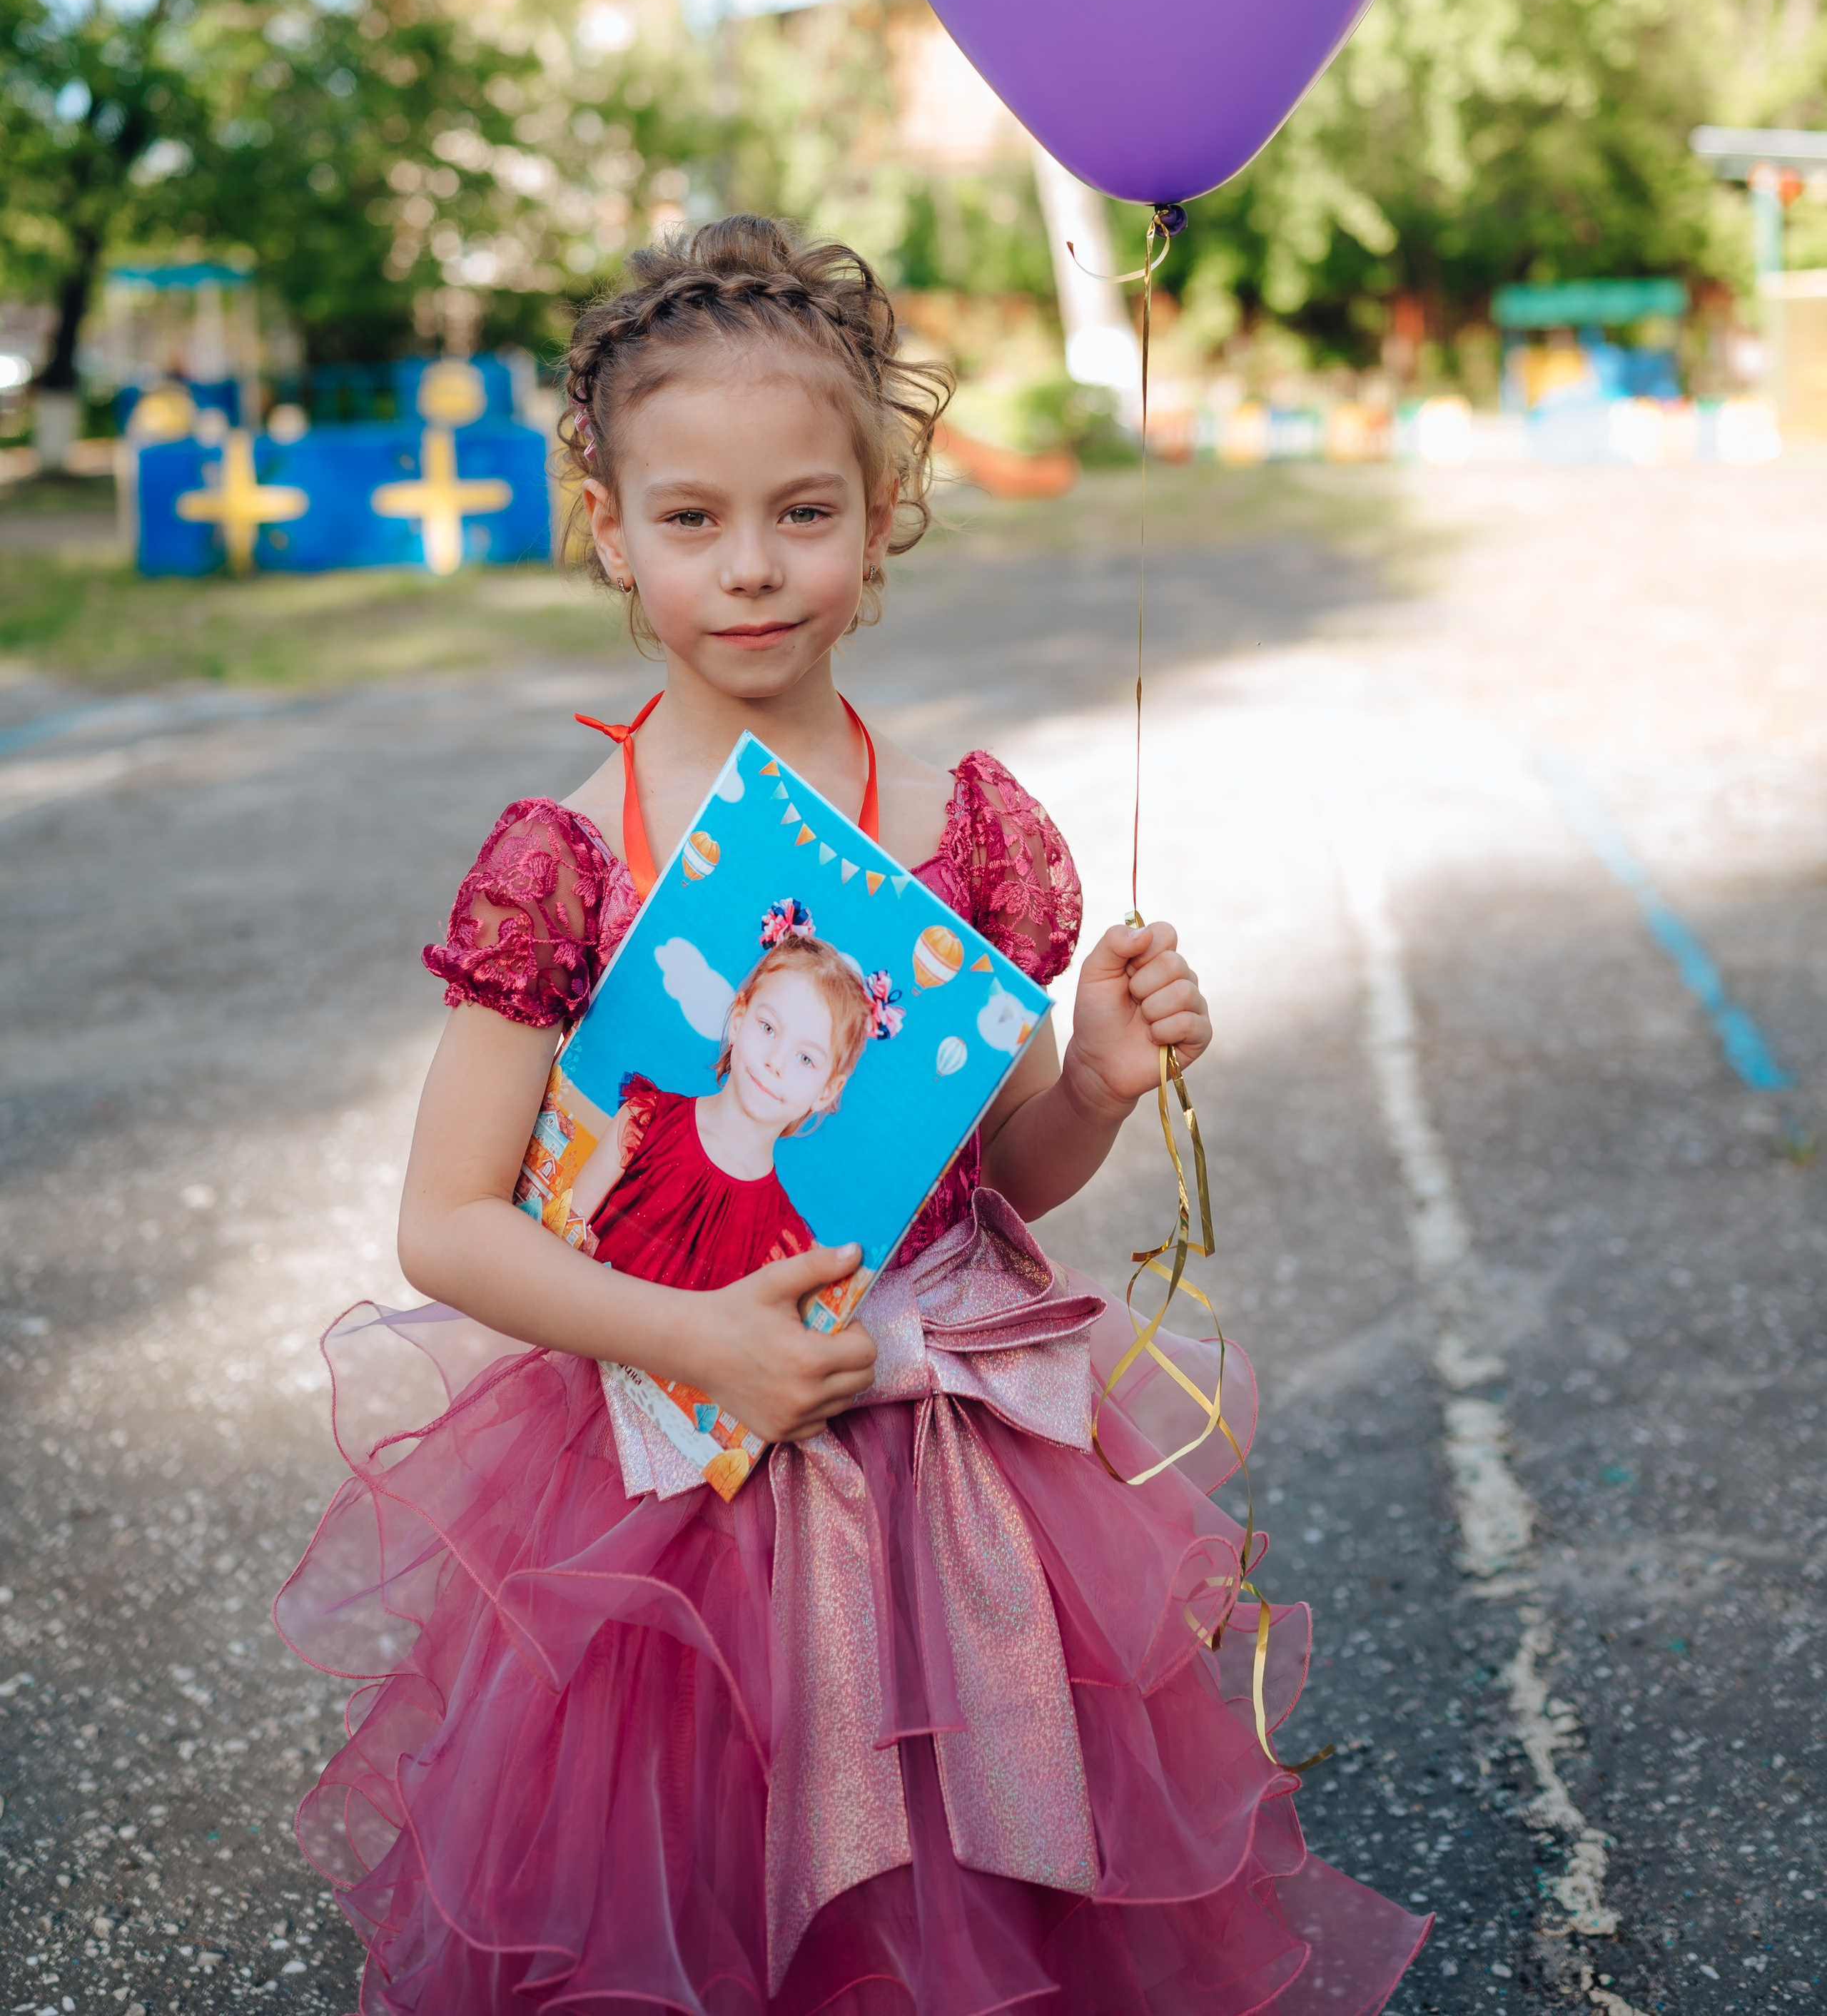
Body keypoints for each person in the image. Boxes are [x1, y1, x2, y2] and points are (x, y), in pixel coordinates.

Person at [275, 216, 1429, 2015]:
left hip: (952, 1475)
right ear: (609, 527)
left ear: (882, 511)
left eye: (802, 511)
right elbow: (448, 1222)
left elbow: (1003, 1175)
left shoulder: (960, 840)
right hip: (682, 1486)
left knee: (977, 1872)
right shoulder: (569, 861)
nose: (749, 569)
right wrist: (695, 1341)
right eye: (690, 518)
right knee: (715, 1876)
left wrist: (1099, 1079)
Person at [584, 918, 886, 1281]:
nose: (775, 1061)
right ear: (739, 1020)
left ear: (827, 1091)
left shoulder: (783, 1243)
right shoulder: (643, 1123)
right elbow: (552, 1246)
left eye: (806, 1058)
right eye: (769, 1028)